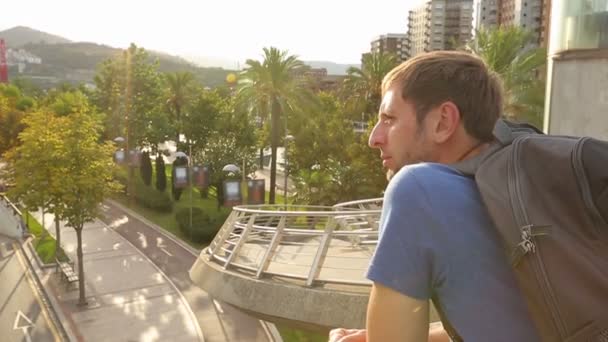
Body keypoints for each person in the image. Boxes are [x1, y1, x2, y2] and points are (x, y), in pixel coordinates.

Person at [329, 51, 538, 342]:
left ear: (443, 122)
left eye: (389, 119)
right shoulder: (516, 195)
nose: (373, 138)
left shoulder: (419, 189)